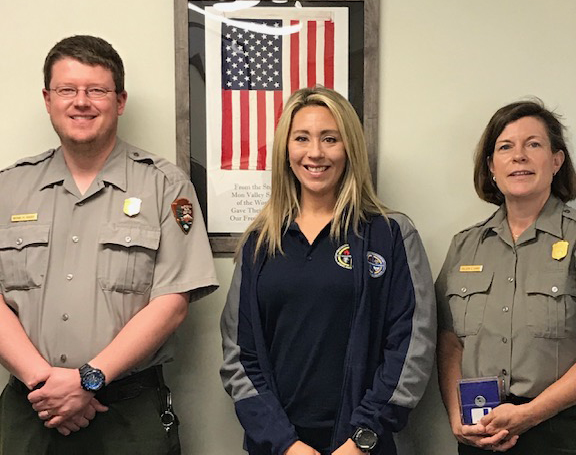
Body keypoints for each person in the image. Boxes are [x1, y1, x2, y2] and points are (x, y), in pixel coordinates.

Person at [0, 35, 218, 454]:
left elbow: (172, 303)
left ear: (119, 101)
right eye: (67, 90)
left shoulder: (165, 186)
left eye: (96, 90)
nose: (81, 101)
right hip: (33, 409)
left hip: (127, 414)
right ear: (48, 99)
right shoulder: (10, 188)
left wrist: (88, 380)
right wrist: (47, 385)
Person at [220, 86, 436, 455]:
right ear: (286, 151)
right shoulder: (260, 241)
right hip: (279, 447)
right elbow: (240, 356)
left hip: (360, 446)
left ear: (349, 147)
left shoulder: (390, 234)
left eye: (330, 139)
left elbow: (410, 347)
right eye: (302, 138)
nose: (315, 153)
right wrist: (285, 444)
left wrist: (362, 439)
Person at [436, 99, 576, 454]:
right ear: (491, 167)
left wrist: (530, 413)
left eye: (533, 144)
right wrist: (456, 416)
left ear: (556, 161)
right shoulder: (464, 246)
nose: (519, 156)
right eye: (505, 147)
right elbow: (451, 342)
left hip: (567, 432)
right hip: (483, 428)